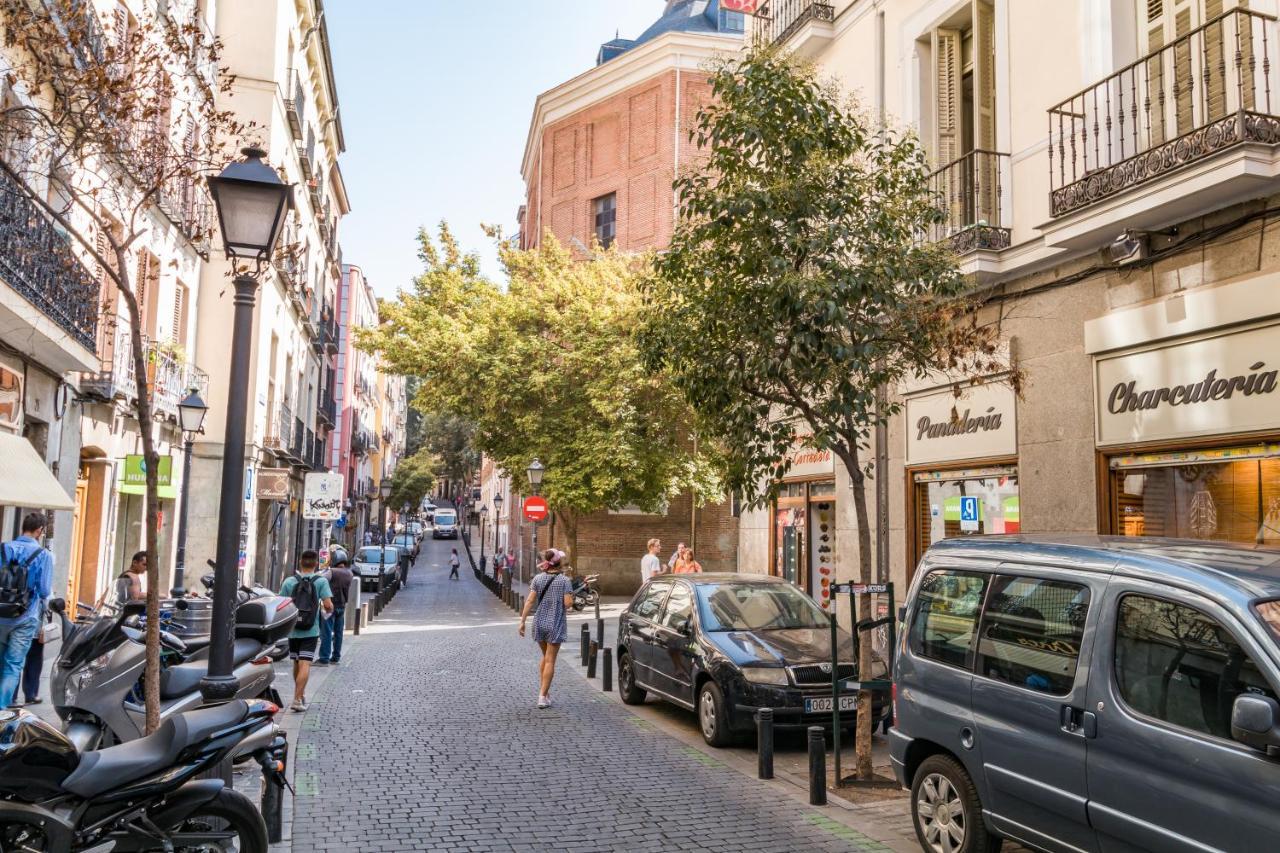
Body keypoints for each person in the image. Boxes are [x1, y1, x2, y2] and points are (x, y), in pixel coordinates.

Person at [0, 513, 52, 709]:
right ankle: (1, 712)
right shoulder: (43, 555)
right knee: (13, 666)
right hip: (24, 616)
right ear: (39, 531)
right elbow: (45, 590)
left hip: (0, 614)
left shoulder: (4, 548)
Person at [518, 549, 574, 709]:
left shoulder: (538, 578)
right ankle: (542, 696)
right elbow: (568, 604)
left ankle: (545, 692)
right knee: (550, 660)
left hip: (539, 622)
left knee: (545, 657)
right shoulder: (564, 580)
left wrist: (522, 621)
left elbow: (529, 601)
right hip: (555, 623)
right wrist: (571, 597)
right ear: (559, 563)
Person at [278, 550, 333, 712]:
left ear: (300, 562)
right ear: (316, 563)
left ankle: (300, 695)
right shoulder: (321, 582)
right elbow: (328, 605)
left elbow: (281, 604)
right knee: (305, 664)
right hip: (311, 629)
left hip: (293, 629)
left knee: (296, 662)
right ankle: (297, 698)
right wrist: (327, 611)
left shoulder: (289, 582)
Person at [316, 548, 353, 667]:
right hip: (342, 606)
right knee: (338, 633)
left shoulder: (332, 572)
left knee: (326, 632)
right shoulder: (349, 573)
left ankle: (324, 658)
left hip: (329, 605)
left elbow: (319, 580)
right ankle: (336, 657)